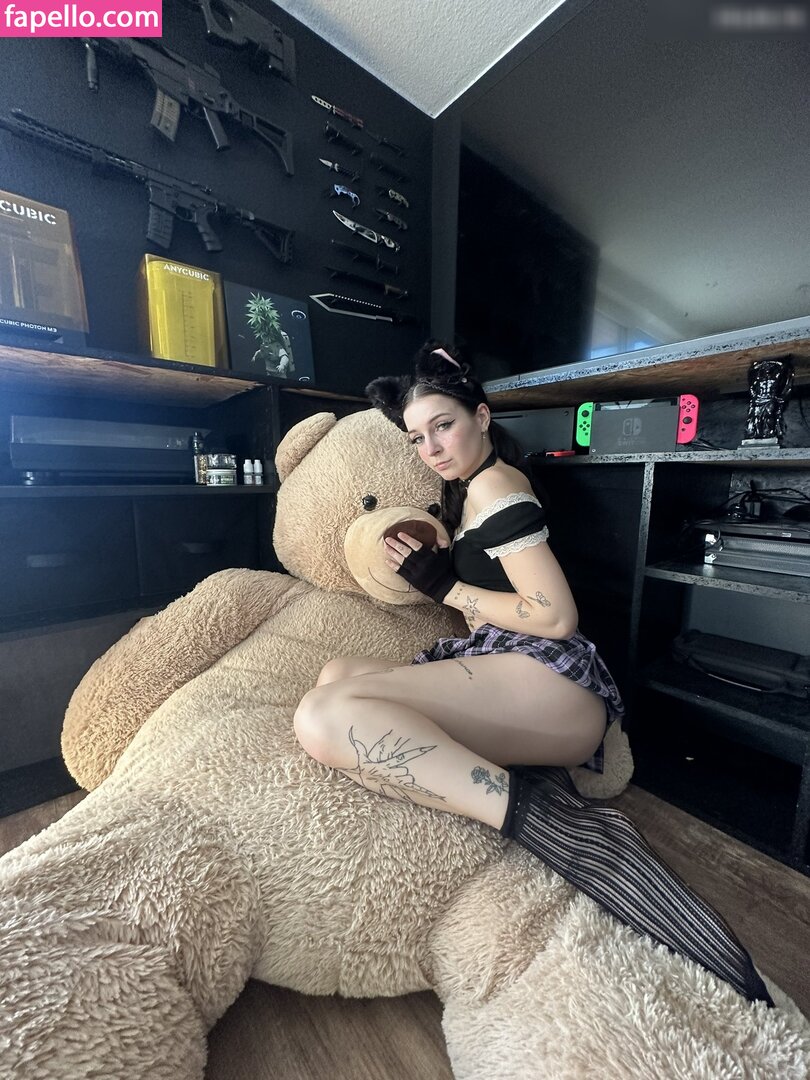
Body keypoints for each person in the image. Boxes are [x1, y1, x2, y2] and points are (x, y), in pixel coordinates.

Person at [293, 341, 772, 1006]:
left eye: (443, 426)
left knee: (322, 716)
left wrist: (446, 588)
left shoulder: (496, 487)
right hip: (509, 672)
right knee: (336, 674)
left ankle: (543, 822)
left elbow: (555, 616)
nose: (431, 448)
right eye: (417, 438)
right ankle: (507, 789)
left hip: (552, 682)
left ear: (482, 417)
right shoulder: (468, 492)